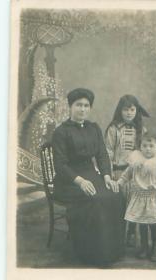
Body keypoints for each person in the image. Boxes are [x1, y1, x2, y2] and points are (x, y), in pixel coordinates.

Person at [52, 88, 125, 266]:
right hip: (69, 180)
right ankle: (92, 253)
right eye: (78, 105)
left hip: (92, 175)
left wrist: (107, 177)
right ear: (70, 106)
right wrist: (80, 181)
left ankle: (113, 250)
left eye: (86, 106)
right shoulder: (61, 132)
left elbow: (101, 155)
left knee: (115, 195)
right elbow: (60, 165)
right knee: (96, 200)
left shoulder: (94, 128)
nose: (83, 109)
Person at [117, 134, 156, 262]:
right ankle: (144, 246)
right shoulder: (136, 161)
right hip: (139, 197)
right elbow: (127, 175)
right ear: (140, 147)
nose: (148, 149)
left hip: (153, 198)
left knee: (153, 223)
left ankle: (155, 247)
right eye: (144, 146)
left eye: (151, 146)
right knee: (141, 223)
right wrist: (119, 182)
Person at [104, 94, 150, 247]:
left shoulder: (141, 130)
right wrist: (109, 175)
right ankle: (117, 236)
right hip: (118, 173)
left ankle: (131, 232)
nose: (129, 113)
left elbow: (146, 153)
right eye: (125, 110)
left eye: (132, 109)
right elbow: (108, 152)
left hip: (135, 174)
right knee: (119, 205)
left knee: (135, 205)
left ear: (136, 110)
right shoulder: (114, 129)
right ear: (120, 110)